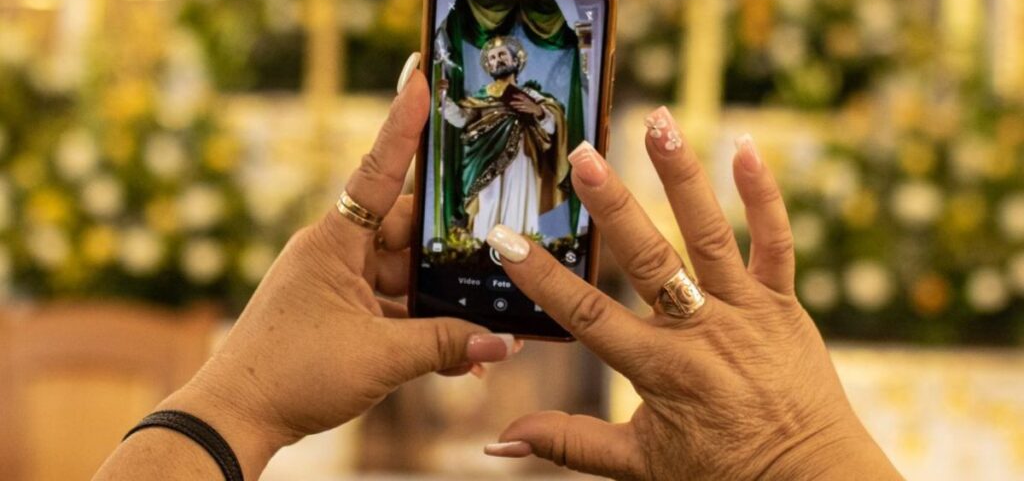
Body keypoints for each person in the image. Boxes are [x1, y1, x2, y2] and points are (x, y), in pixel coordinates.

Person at [94, 53, 902, 481]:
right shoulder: (494, 102)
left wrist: (241, 402)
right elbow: (470, 119)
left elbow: (544, 134)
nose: (508, 74)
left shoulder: (535, 107)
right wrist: (805, 457)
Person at [441, 36, 568, 240]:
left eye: (502, 55)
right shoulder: (480, 98)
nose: (497, 60)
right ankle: (483, 250)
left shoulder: (530, 95)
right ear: (488, 66)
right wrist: (443, 101)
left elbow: (553, 127)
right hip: (485, 161)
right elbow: (461, 120)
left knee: (519, 210)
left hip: (522, 163)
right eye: (491, 58)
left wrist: (538, 111)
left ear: (515, 61)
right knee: (487, 208)